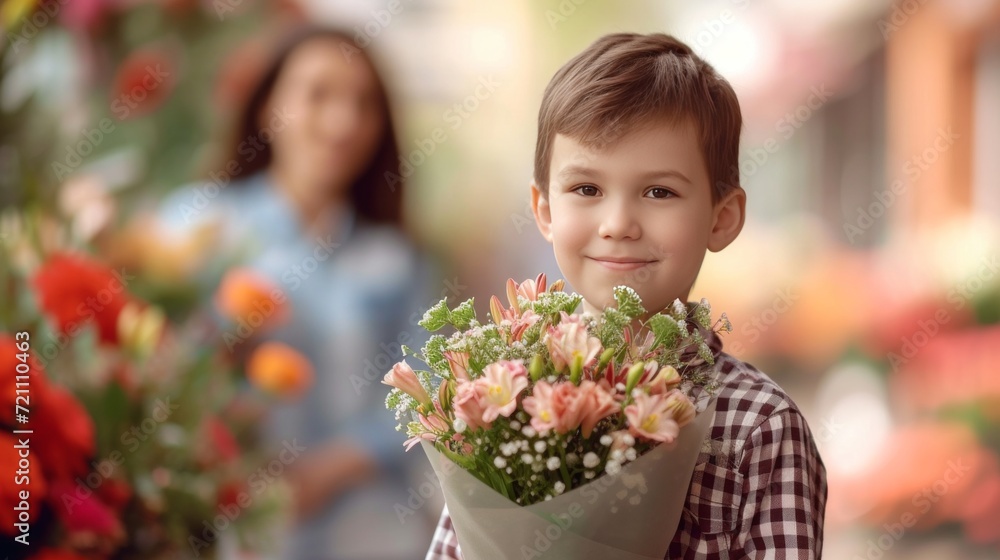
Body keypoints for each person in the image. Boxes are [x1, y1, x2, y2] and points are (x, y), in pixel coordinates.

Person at [426, 32, 827, 559]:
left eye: (659, 192)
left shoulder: (758, 428)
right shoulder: (500, 399)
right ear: (545, 209)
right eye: (587, 190)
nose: (618, 224)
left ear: (722, 217)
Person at [158, 25, 441, 559]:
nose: (344, 122)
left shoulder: (398, 258)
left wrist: (333, 467)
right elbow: (151, 366)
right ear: (268, 107)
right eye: (319, 94)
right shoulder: (195, 227)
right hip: (227, 532)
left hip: (372, 533)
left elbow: (429, 388)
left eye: (365, 104)